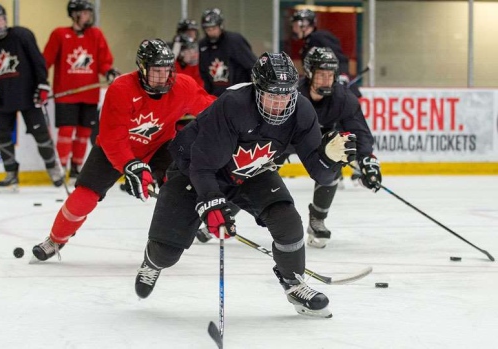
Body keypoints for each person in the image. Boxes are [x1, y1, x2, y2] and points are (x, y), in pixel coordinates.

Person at [133, 51, 357, 318]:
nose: (279, 103)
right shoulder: (234, 105)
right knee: (166, 253)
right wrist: (212, 202)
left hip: (251, 171)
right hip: (194, 170)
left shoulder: (301, 110)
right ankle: (152, 260)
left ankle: (294, 282)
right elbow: (203, 166)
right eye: (272, 95)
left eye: (286, 94)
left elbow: (320, 174)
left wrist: (330, 159)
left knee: (288, 221)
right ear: (257, 89)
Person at [31, 39, 216, 261]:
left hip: (160, 146)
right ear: (142, 68)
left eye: (167, 70)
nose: (163, 77)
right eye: (156, 71)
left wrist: (239, 114)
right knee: (84, 197)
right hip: (116, 148)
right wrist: (131, 166)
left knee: (178, 188)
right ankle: (55, 240)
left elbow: (213, 111)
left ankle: (172, 241)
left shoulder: (183, 87)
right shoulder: (121, 89)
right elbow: (113, 138)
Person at [299, 47, 382, 248]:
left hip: (321, 140)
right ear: (309, 73)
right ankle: (224, 213)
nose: (326, 80)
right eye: (320, 75)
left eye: (330, 75)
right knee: (256, 170)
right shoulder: (294, 94)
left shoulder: (343, 99)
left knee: (333, 162)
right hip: (290, 139)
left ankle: (317, 219)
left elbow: (359, 131)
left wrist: (367, 161)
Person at [0, 3, 64, 191]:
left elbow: (38, 62)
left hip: (29, 96)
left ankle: (53, 170)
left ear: (6, 19)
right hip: (3, 98)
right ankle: (11, 174)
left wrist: (42, 86)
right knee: (1, 134)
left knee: (41, 134)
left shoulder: (22, 35)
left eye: (0, 19)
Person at [43, 0, 120, 182]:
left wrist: (109, 71)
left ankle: (77, 167)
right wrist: (40, 82)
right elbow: (46, 60)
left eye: (88, 13)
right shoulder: (60, 34)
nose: (87, 16)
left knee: (85, 132)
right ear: (74, 14)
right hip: (66, 95)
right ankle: (61, 168)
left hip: (89, 95)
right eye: (84, 13)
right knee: (66, 131)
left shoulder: (96, 34)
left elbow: (104, 61)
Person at [290, 9, 362, 98]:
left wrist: (342, 75)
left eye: (296, 25)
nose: (294, 29)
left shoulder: (318, 37)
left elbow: (339, 57)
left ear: (304, 25)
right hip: (321, 87)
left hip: (336, 88)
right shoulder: (307, 44)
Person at [198, 8, 256, 96]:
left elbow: (252, 65)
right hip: (216, 97)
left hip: (239, 95)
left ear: (220, 26)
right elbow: (204, 73)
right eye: (207, 29)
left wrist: (251, 92)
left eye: (213, 28)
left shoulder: (235, 41)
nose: (211, 32)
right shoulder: (203, 45)